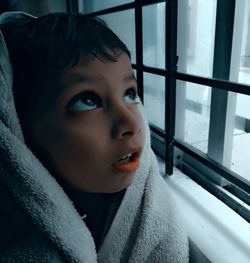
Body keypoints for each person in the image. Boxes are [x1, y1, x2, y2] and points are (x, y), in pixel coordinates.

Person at [0, 12, 189, 262]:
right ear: (19, 125)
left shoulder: (154, 217)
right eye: (88, 100)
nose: (132, 123)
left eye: (130, 94)